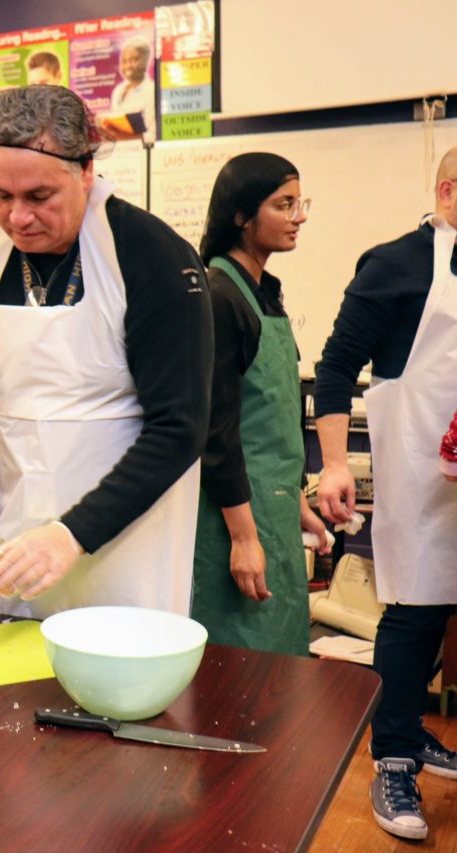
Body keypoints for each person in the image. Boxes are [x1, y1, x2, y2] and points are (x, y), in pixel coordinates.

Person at [0, 85, 211, 620]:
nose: (17, 218)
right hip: (17, 529)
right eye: (1, 195)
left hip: (123, 540)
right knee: (5, 688)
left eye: (39, 197)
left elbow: (179, 429)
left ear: (85, 170)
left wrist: (74, 534)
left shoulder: (148, 253)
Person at [315, 146, 457, 842]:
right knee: (417, 610)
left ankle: (413, 731)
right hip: (424, 470)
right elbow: (338, 363)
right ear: (450, 189)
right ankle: (394, 755)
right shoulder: (396, 263)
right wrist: (336, 462)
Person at [191, 153, 330, 655]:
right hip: (232, 517)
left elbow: (273, 424)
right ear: (241, 216)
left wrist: (296, 502)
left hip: (270, 513)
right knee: (241, 666)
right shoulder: (220, 296)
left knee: (281, 660)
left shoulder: (264, 293)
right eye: (283, 204)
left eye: (300, 202)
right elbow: (218, 432)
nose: (300, 216)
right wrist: (245, 539)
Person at [101, 36, 154, 142]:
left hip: (142, 153)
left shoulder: (151, 91)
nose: (128, 66)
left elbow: (153, 135)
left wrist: (125, 138)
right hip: (120, 153)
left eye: (134, 60)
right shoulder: (118, 91)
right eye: (124, 61)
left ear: (146, 61)